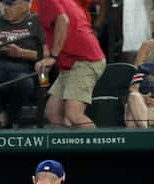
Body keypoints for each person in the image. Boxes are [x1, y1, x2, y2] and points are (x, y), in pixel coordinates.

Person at [34, 0, 106, 128]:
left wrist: (53, 57)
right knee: (53, 113)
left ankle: (99, 146)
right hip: (69, 64)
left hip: (85, 59)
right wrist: (46, 63)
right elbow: (52, 38)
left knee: (74, 115)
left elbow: (63, 21)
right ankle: (69, 147)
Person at [0, 0, 44, 128]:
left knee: (24, 83)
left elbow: (46, 54)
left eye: (11, 5)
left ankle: (10, 118)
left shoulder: (36, 21)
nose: (7, 8)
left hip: (26, 68)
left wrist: (21, 53)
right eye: (5, 4)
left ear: (25, 5)